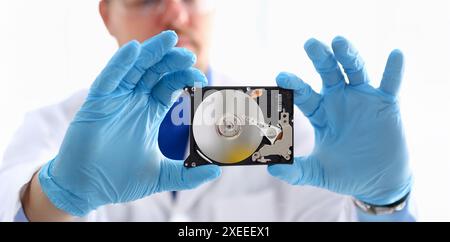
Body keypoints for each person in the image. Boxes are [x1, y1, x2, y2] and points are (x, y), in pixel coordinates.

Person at [0, 0, 414, 222]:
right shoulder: (53, 129)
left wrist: (383, 204)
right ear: (107, 14)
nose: (175, 13)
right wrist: (54, 200)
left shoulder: (291, 129)